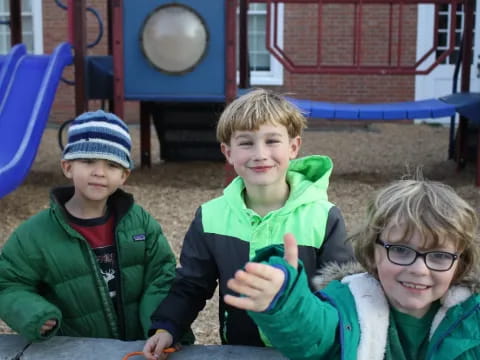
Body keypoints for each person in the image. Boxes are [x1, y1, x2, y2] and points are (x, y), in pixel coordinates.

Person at [143, 88, 353, 359]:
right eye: (246, 143)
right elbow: (192, 284)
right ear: (228, 152)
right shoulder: (211, 217)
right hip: (241, 349)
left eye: (272, 141)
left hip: (309, 350)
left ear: (293, 147)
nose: (260, 153)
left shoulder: (324, 217)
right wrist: (166, 327)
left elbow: (342, 291)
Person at [225, 178, 480, 359]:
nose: (419, 269)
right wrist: (284, 300)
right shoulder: (350, 306)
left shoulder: (473, 318)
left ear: (459, 265)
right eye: (401, 250)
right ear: (372, 254)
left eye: (438, 256)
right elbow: (311, 333)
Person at [0, 110, 177, 342]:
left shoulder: (141, 223)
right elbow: (8, 283)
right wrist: (34, 313)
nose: (99, 172)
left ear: (124, 175)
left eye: (112, 165)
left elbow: (162, 275)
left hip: (138, 347)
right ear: (67, 167)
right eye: (88, 161)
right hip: (72, 349)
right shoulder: (34, 234)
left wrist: (161, 327)